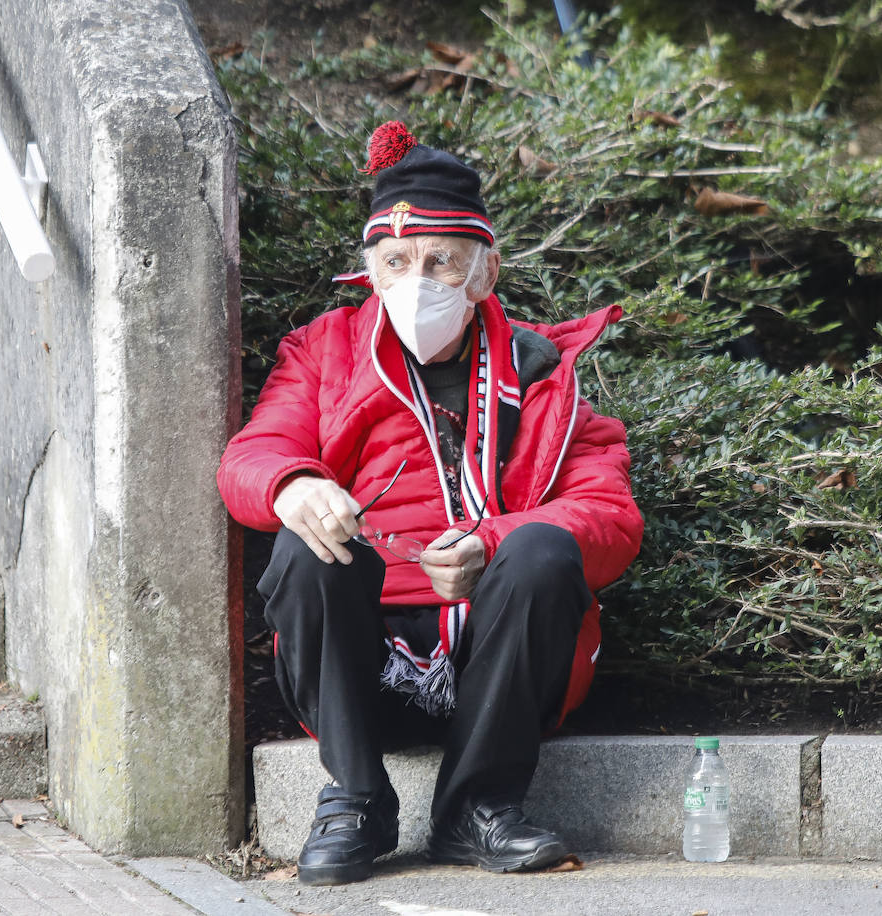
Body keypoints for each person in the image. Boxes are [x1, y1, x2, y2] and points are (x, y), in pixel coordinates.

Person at [217, 121, 643, 886]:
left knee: (545, 551)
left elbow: (611, 519)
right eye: (397, 261)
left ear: (485, 273)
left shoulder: (546, 371)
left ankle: (478, 809)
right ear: (371, 273)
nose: (418, 278)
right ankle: (355, 797)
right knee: (303, 547)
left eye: (441, 260)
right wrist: (295, 486)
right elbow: (251, 457)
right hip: (360, 656)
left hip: (498, 656)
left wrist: (494, 541)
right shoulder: (322, 352)